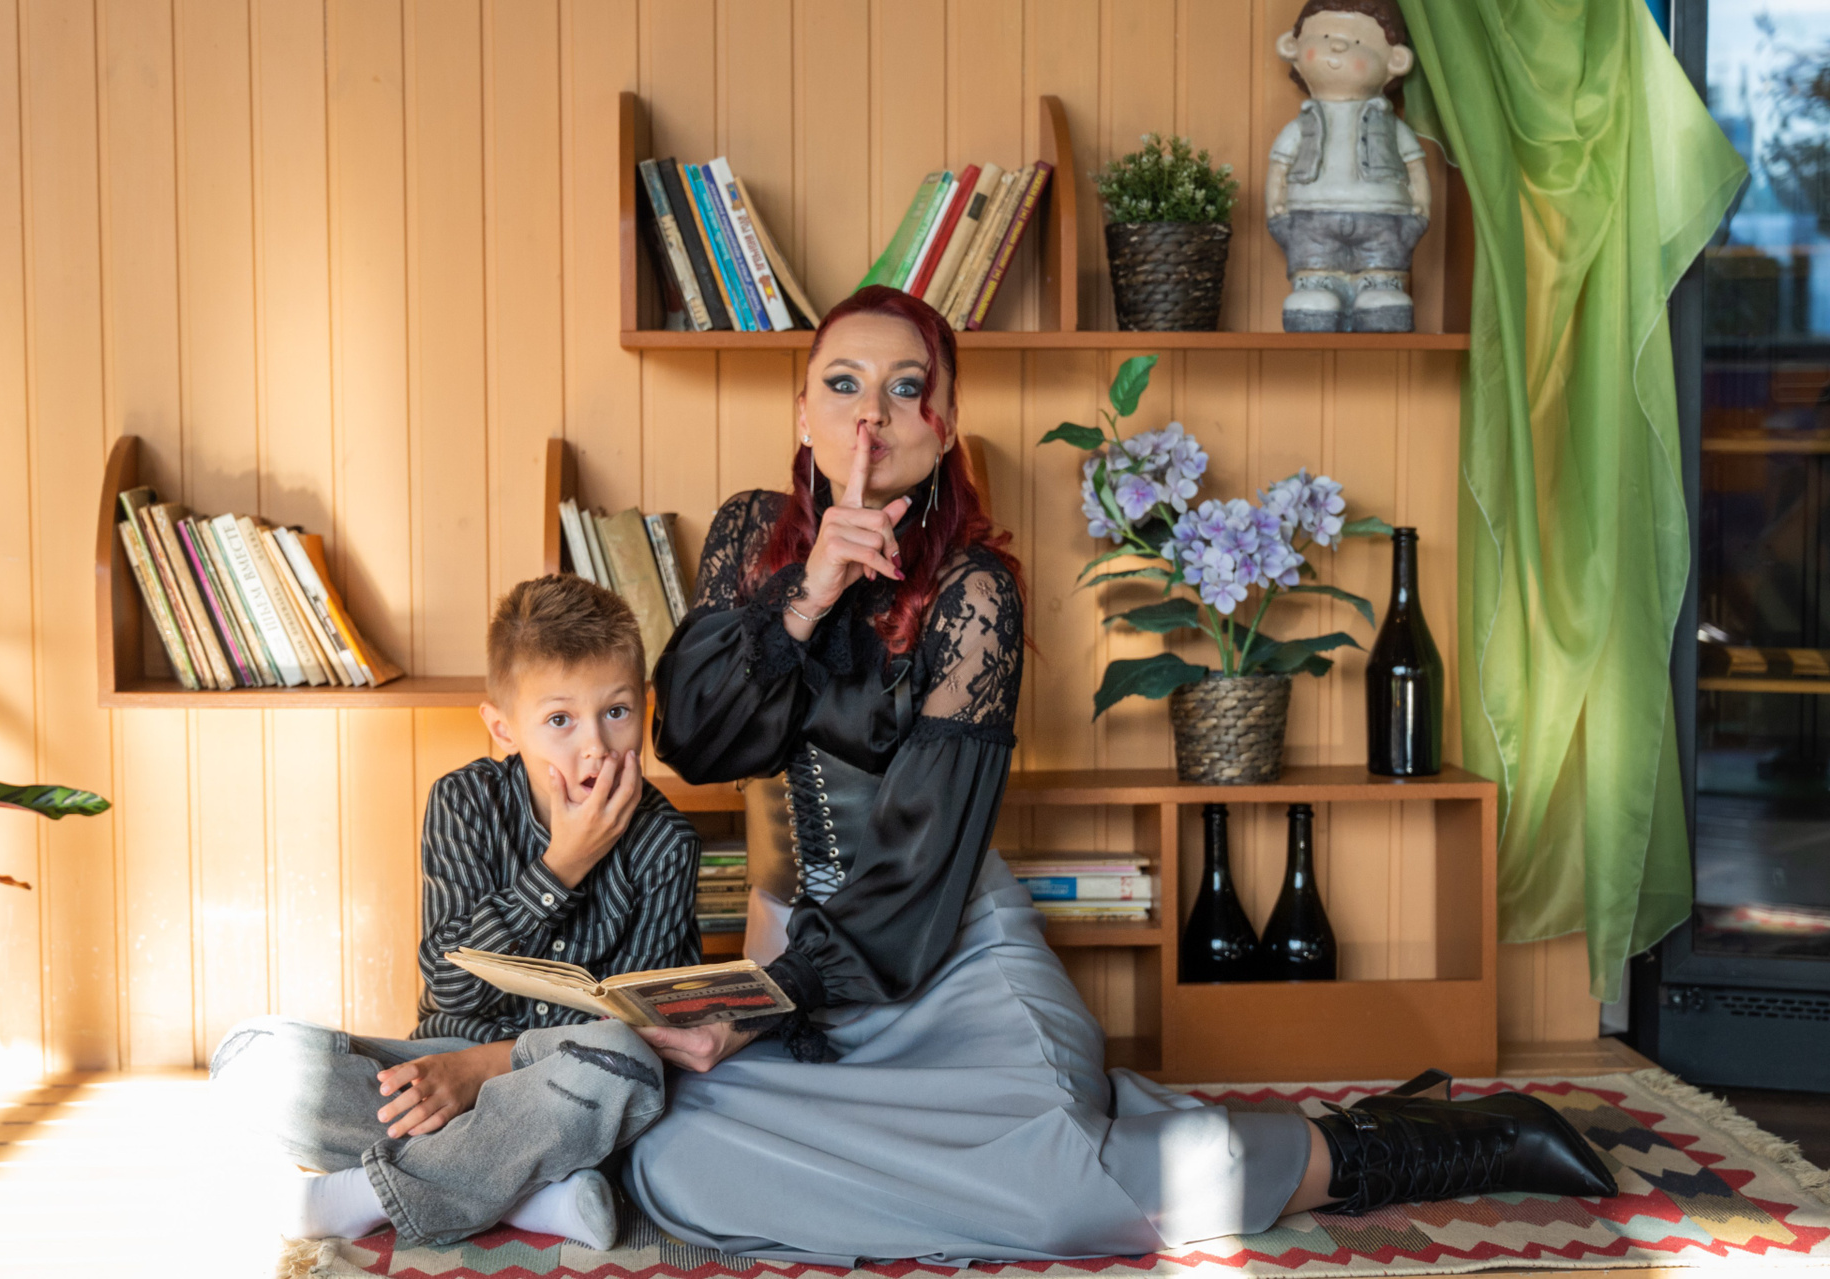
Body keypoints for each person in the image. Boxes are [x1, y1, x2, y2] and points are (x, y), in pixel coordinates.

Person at [622, 284, 1616, 1265]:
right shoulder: (753, 536)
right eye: (843, 384)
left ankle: (1394, 1145)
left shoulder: (975, 593)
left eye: (906, 387)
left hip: (944, 961)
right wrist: (808, 595)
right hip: (795, 970)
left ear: (946, 422)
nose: (871, 415)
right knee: (673, 1159)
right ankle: (1044, 1150)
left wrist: (771, 996)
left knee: (1064, 1199)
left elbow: (920, 867)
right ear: (803, 412)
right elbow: (693, 744)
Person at [210, 575, 700, 1248]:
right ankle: (531, 1193)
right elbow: (452, 986)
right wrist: (562, 865)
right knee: (248, 1061)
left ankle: (361, 1195)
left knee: (624, 1063)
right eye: (560, 720)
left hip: (563, 1085)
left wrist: (483, 1071)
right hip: (439, 1065)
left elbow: (636, 1025)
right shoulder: (464, 802)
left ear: (644, 707)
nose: (595, 745)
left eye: (616, 711)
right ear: (504, 727)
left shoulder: (668, 842)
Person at [1266, 0, 1431, 333]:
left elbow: (1415, 166)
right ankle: (1316, 287)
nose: (1338, 46)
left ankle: (1379, 287)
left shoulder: (1391, 127)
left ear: (1396, 61)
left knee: (1383, 267)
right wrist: (1275, 209)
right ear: (1292, 48)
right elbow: (1278, 168)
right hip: (1311, 216)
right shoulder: (1301, 125)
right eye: (1325, 36)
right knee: (1314, 267)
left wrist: (1422, 208)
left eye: (1357, 41)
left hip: (1383, 215)